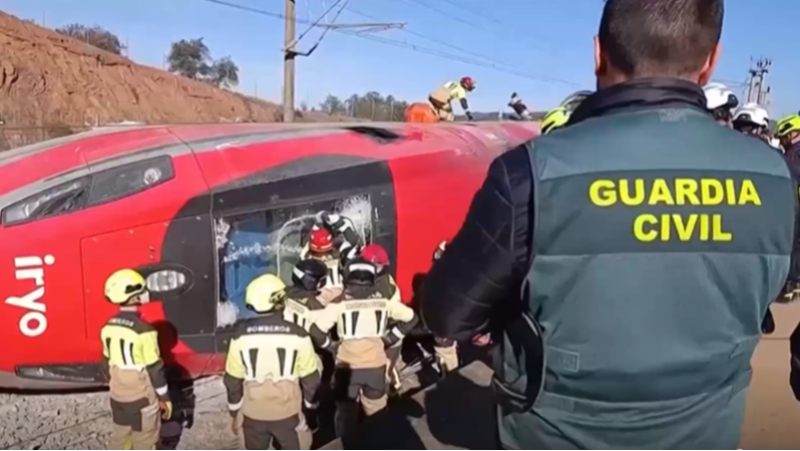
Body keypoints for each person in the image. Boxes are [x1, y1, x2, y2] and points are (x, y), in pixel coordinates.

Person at [420, 0, 800, 449]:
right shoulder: (773, 174)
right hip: (708, 433)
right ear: (711, 61)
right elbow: (781, 282)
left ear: (598, 53)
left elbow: (448, 313)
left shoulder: (528, 172)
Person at [316, 258, 418, 436]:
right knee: (377, 413)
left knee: (345, 415)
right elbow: (412, 318)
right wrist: (390, 338)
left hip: (347, 372)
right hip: (375, 369)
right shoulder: (383, 302)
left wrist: (331, 346)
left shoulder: (339, 304)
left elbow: (316, 330)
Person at [224, 274, 321, 451]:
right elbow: (311, 380)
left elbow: (232, 380)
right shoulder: (299, 334)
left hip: (252, 415)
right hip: (288, 415)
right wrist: (310, 410)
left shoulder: (239, 335)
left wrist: (234, 412)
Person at [101, 269, 172, 450]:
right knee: (146, 441)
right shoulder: (145, 331)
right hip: (141, 396)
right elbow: (154, 368)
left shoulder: (108, 327)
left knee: (121, 438)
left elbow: (105, 361)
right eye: (141, 291)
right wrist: (165, 397)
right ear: (134, 298)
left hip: (118, 394)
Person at [360, 244, 404, 391]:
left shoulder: (380, 289)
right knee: (387, 365)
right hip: (391, 332)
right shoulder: (386, 280)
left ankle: (392, 394)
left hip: (387, 333)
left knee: (383, 369)